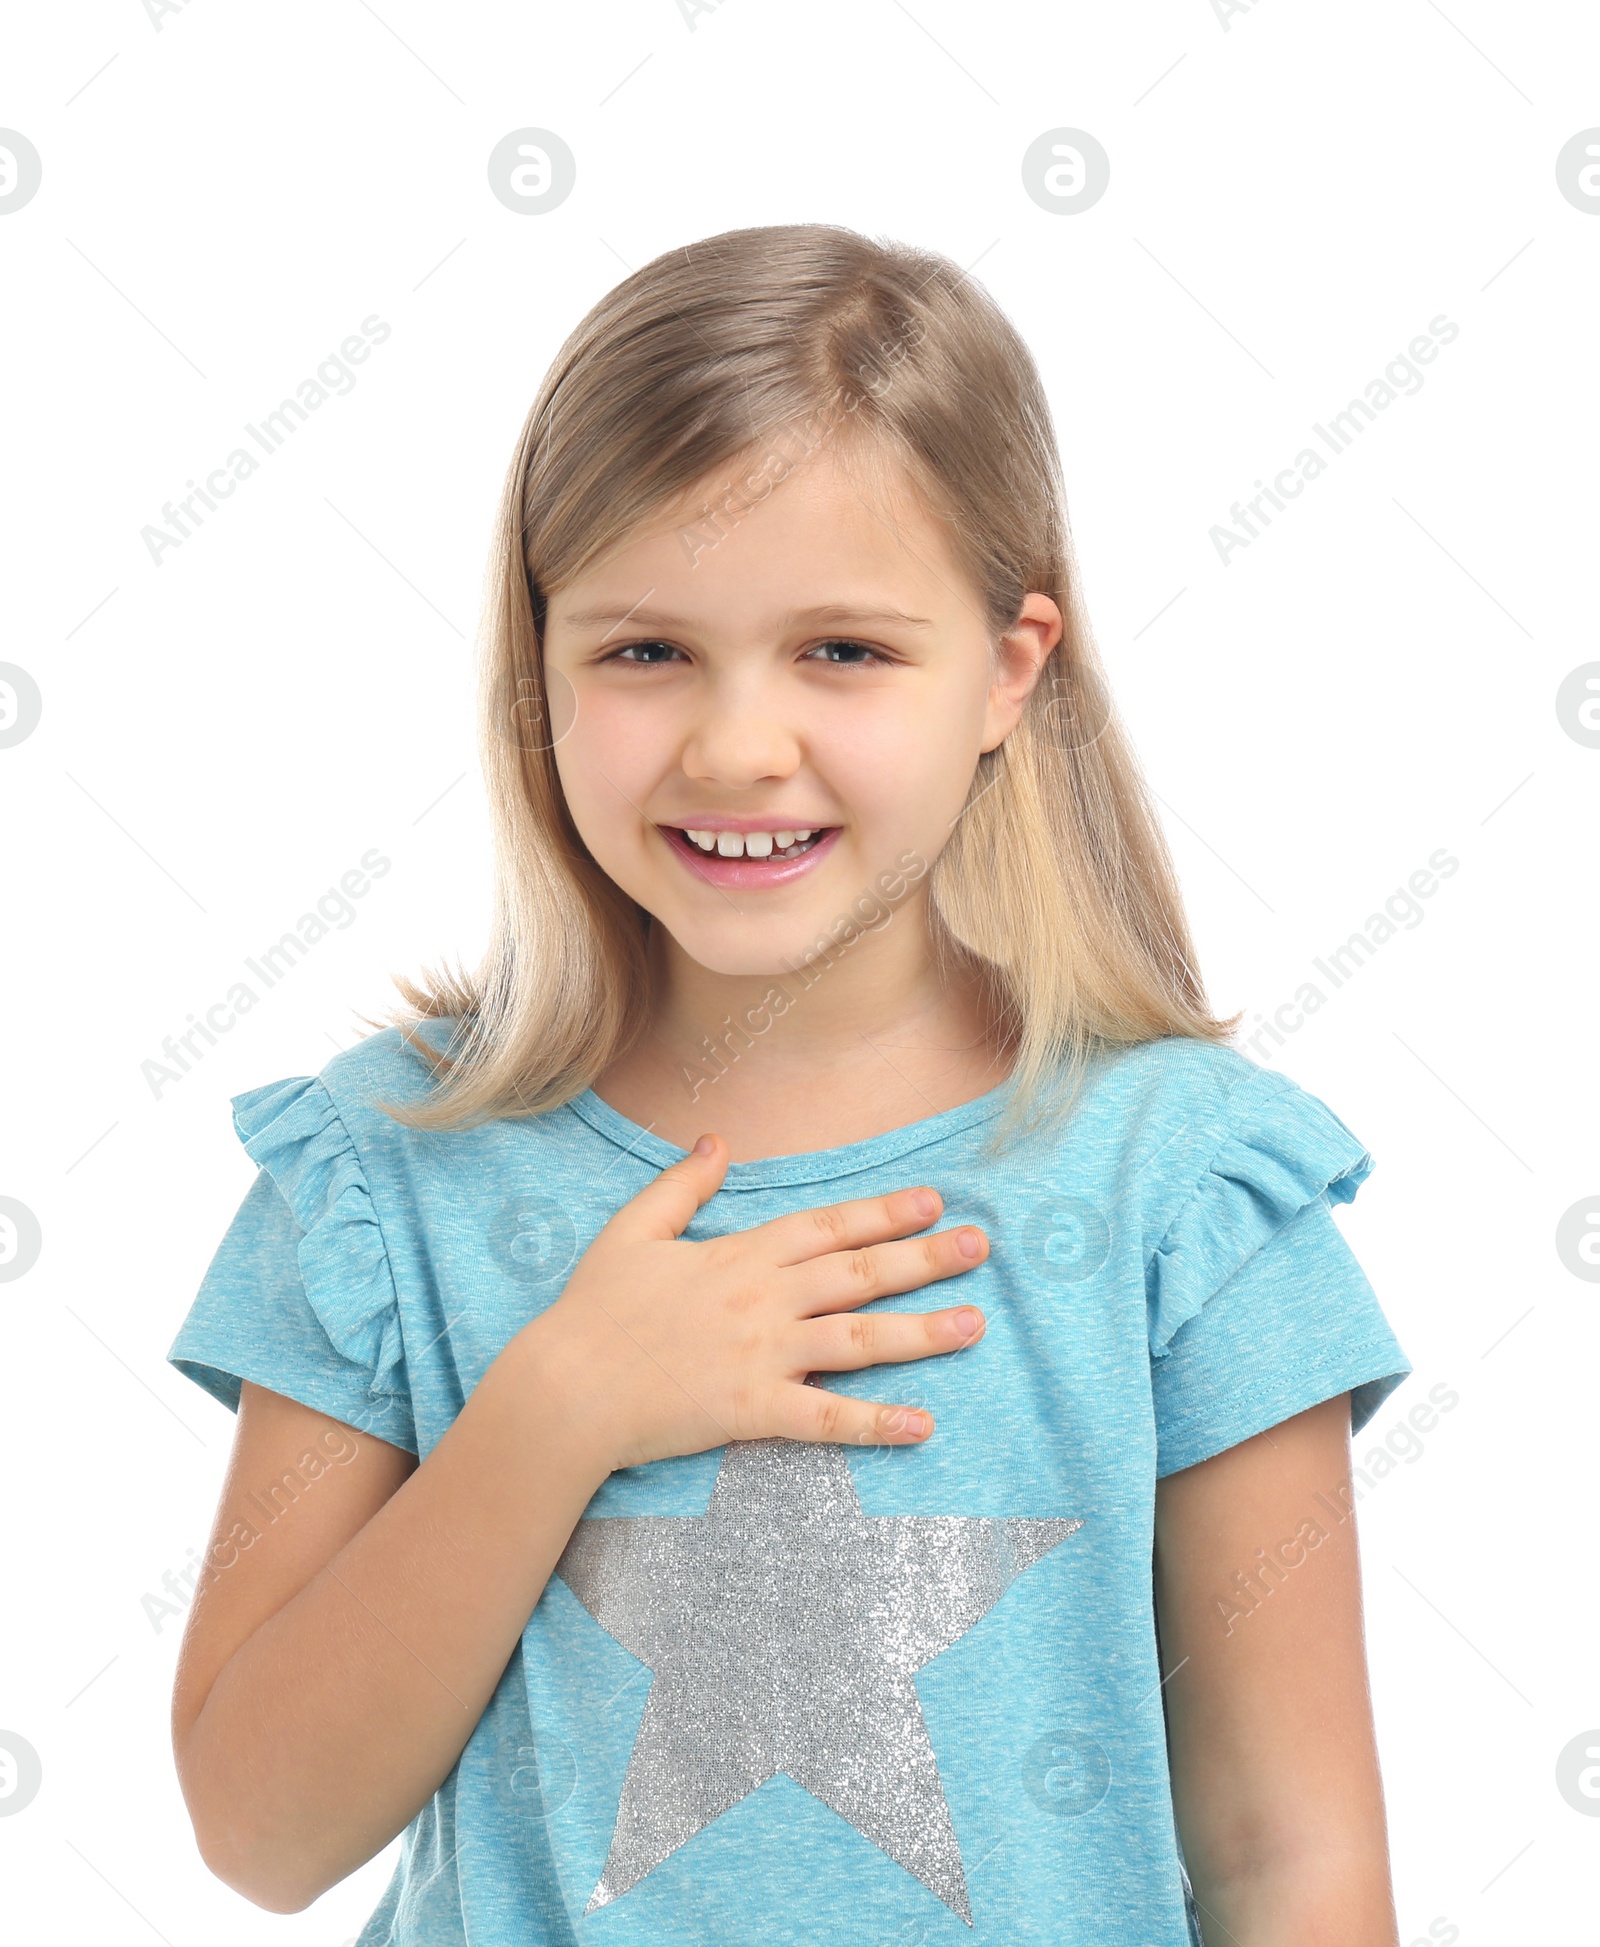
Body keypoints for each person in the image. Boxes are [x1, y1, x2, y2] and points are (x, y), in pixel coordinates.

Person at [166, 223, 1410, 1946]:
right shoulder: (389, 1174)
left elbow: (1295, 1857)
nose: (739, 744)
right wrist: (559, 1408)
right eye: (645, 651)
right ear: (540, 668)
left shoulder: (1184, 1193)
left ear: (1007, 670)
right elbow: (260, 1828)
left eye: (842, 651)